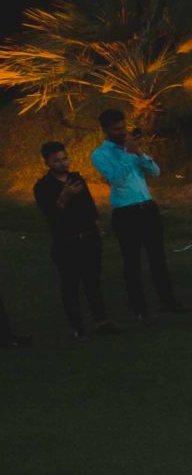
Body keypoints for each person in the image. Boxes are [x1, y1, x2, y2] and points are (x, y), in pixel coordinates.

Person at [91, 108, 183, 319]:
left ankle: (168, 300)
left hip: (146, 206)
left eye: (123, 127)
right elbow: (116, 179)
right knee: (132, 261)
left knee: (157, 257)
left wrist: (140, 153)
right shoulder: (100, 154)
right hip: (125, 211)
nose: (122, 132)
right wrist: (126, 154)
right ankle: (139, 308)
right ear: (105, 130)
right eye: (116, 129)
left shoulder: (131, 148)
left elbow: (155, 172)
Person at [33, 139, 116, 340]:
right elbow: (51, 213)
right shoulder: (43, 186)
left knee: (92, 281)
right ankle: (78, 327)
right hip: (66, 241)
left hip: (88, 237)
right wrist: (65, 196)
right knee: (70, 284)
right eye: (56, 161)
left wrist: (97, 228)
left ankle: (101, 320)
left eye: (64, 159)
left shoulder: (76, 179)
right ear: (47, 163)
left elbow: (88, 205)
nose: (62, 164)